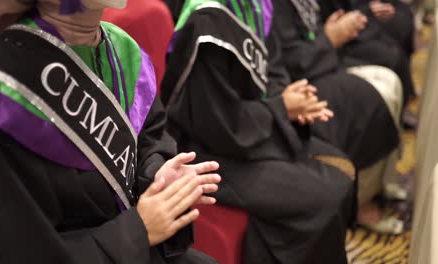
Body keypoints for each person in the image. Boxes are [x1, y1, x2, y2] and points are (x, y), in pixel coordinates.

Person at [0, 0, 221, 263]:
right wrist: (137, 231)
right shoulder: (1, 97)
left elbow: (150, 138)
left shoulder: (122, 50)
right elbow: (13, 250)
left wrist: (155, 174)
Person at [162, 0, 356, 263]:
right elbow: (217, 123)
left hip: (254, 130)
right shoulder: (207, 22)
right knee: (323, 197)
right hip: (211, 154)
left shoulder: (257, 6)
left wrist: (292, 100)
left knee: (341, 168)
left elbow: (273, 70)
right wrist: (281, 108)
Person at [268, 0, 404, 233]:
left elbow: (314, 24)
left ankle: (382, 182)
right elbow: (285, 62)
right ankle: (361, 200)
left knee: (390, 80)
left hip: (322, 60)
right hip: (298, 79)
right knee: (373, 98)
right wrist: (329, 38)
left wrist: (335, 29)